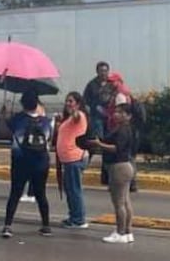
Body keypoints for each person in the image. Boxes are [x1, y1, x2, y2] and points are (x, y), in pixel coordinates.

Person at [0, 91, 54, 239]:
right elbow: (50, 139)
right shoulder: (46, 121)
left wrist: (3, 116)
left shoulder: (18, 119)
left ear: (22, 104)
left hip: (20, 162)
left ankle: (7, 226)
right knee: (41, 194)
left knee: (15, 193)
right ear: (37, 104)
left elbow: (3, 132)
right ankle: (46, 226)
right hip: (41, 163)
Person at [91, 103, 138, 244]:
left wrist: (99, 145)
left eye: (120, 112)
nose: (116, 114)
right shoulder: (122, 128)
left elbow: (116, 148)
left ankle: (120, 232)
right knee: (125, 201)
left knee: (119, 203)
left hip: (119, 167)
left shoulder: (123, 130)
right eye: (116, 111)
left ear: (128, 116)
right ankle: (128, 232)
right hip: (124, 166)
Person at [53, 92, 89, 229]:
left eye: (71, 101)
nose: (68, 103)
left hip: (74, 158)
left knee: (74, 190)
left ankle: (79, 219)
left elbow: (77, 116)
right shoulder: (68, 119)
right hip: (68, 160)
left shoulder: (79, 116)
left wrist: (74, 111)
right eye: (67, 101)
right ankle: (74, 216)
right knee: (70, 189)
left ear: (78, 104)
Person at [83, 62, 111, 138]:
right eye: (101, 71)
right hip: (96, 117)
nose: (103, 73)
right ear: (97, 72)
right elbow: (85, 100)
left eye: (105, 71)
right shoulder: (91, 84)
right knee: (99, 136)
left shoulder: (112, 83)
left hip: (110, 117)